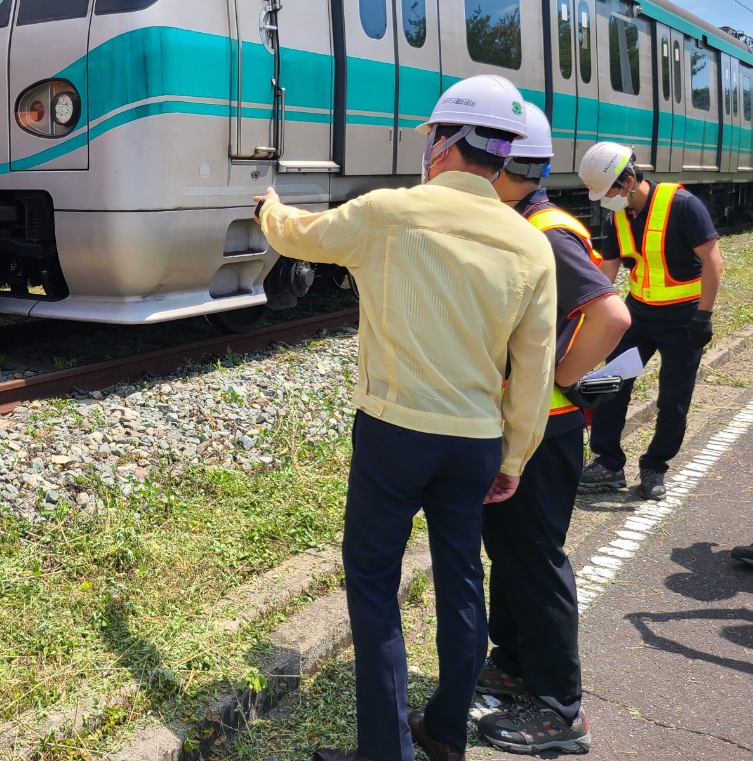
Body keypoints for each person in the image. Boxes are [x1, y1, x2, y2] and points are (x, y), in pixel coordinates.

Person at [254, 75, 558, 761]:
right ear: (501, 154)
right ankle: (446, 732)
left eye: (430, 136)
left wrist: (269, 207)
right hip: (475, 443)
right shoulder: (530, 245)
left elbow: (300, 236)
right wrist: (515, 458)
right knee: (460, 578)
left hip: (395, 435)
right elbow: (535, 369)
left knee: (372, 583)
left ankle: (384, 753)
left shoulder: (390, 211)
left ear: (446, 143)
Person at [476, 104, 630, 755]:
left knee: (536, 561)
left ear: (507, 166)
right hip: (526, 423)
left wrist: (561, 377)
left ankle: (561, 711)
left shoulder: (545, 231)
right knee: (511, 553)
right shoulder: (522, 221)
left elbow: (611, 316)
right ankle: (513, 664)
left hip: (547, 424)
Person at [576, 142, 723, 500]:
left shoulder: (683, 205)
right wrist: (587, 311)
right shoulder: (618, 216)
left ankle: (655, 465)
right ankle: (608, 462)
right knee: (612, 383)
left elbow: (713, 261)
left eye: (608, 189)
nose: (604, 199)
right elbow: (607, 268)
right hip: (639, 313)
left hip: (684, 317)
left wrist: (703, 315)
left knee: (673, 398)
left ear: (628, 179)